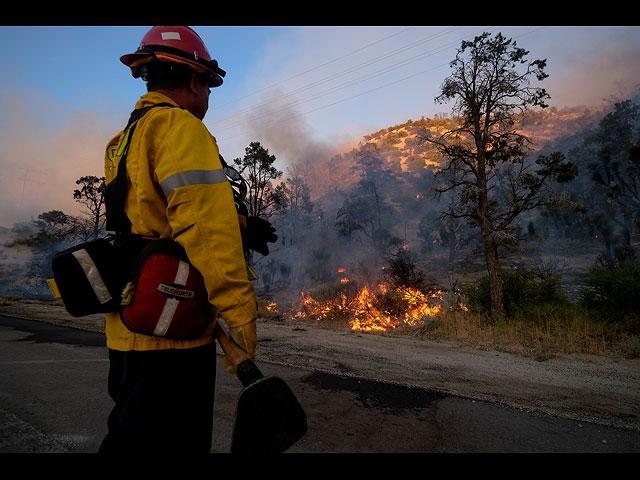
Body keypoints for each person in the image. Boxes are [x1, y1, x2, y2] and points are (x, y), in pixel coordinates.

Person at [98, 26, 263, 454]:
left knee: (131, 437)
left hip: (131, 324)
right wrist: (241, 315)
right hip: (171, 333)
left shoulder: (126, 138)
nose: (208, 99)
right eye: (209, 87)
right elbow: (205, 232)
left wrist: (244, 226)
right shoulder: (179, 127)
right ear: (195, 80)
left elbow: (152, 218)